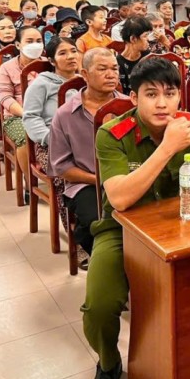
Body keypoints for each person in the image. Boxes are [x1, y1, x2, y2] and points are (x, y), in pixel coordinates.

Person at [85, 58, 190, 379]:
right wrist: (167, 148)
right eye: (151, 94)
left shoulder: (189, 125)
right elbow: (119, 199)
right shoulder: (112, 133)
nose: (162, 103)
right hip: (121, 231)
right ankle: (108, 364)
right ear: (134, 98)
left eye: (170, 93)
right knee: (100, 305)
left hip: (182, 225)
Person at [50, 48, 124, 269]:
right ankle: (111, 270)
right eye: (102, 69)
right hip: (86, 184)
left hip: (126, 178)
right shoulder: (65, 114)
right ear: (84, 74)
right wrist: (99, 180)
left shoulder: (128, 107)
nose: (111, 74)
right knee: (98, 222)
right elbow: (61, 167)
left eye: (114, 69)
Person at [23, 37, 82, 201]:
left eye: (73, 51)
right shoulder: (41, 84)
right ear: (51, 60)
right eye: (63, 53)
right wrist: (52, 139)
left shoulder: (85, 81)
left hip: (83, 142)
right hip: (51, 145)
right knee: (69, 174)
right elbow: (30, 117)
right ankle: (69, 214)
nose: (71, 56)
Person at [0, 26, 45, 174]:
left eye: (38, 41)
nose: (35, 45)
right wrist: (26, 114)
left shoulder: (49, 64)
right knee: (25, 138)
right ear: (18, 45)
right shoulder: (7, 67)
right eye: (29, 41)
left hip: (48, 113)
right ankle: (30, 181)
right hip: (18, 116)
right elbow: (5, 97)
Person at [117, 16, 152, 95]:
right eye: (145, 36)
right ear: (133, 39)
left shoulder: (149, 57)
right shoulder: (117, 64)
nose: (148, 39)